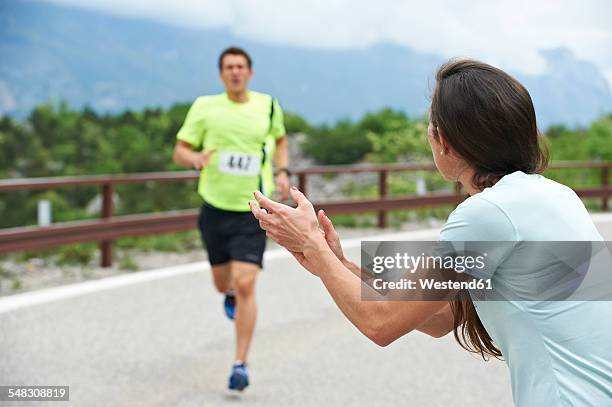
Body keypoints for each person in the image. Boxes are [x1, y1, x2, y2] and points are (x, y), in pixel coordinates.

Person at [249, 59, 612, 406]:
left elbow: (382, 323)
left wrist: (313, 245)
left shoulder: (487, 214)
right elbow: (440, 317)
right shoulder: (554, 195)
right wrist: (335, 261)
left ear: (445, 141)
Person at [173, 46, 289, 391]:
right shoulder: (204, 107)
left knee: (246, 284)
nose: (235, 72)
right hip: (214, 208)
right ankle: (228, 294)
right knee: (223, 283)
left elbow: (280, 140)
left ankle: (240, 363)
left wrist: (281, 171)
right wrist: (195, 158)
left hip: (252, 209)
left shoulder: (267, 105)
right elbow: (179, 150)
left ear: (250, 72)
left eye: (240, 67)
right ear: (221, 74)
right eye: (229, 67)